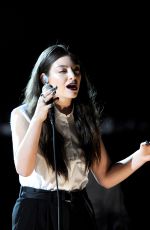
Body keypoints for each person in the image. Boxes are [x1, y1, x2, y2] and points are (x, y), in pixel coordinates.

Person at [10, 43, 150, 230]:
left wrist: (142, 156)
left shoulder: (85, 119)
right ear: (44, 78)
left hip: (77, 209)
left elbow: (106, 177)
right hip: (36, 210)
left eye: (76, 71)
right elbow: (24, 169)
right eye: (63, 71)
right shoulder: (23, 114)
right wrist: (38, 118)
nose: (72, 76)